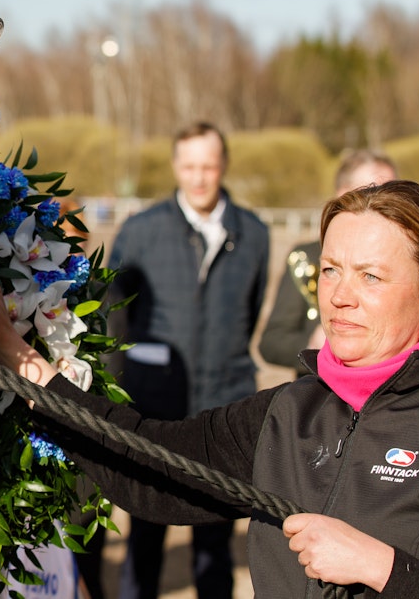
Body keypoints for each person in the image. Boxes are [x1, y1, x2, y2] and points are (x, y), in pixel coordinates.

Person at [0, 180, 419, 597]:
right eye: (332, 270)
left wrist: (382, 567)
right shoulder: (288, 413)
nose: (339, 295)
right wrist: (16, 354)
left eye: (371, 276)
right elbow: (149, 465)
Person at [105, 121, 268, 599]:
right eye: (190, 166)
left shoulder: (254, 234)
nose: (199, 177)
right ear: (176, 166)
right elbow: (118, 319)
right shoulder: (140, 232)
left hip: (224, 411)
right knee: (145, 539)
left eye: (209, 166)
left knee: (215, 546)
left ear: (223, 167)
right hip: (154, 412)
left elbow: (250, 312)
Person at [258, 149, 398, 369]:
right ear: (342, 194)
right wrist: (313, 348)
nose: (383, 202)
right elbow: (272, 342)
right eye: (371, 191)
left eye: (392, 194)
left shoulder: (406, 261)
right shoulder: (306, 257)